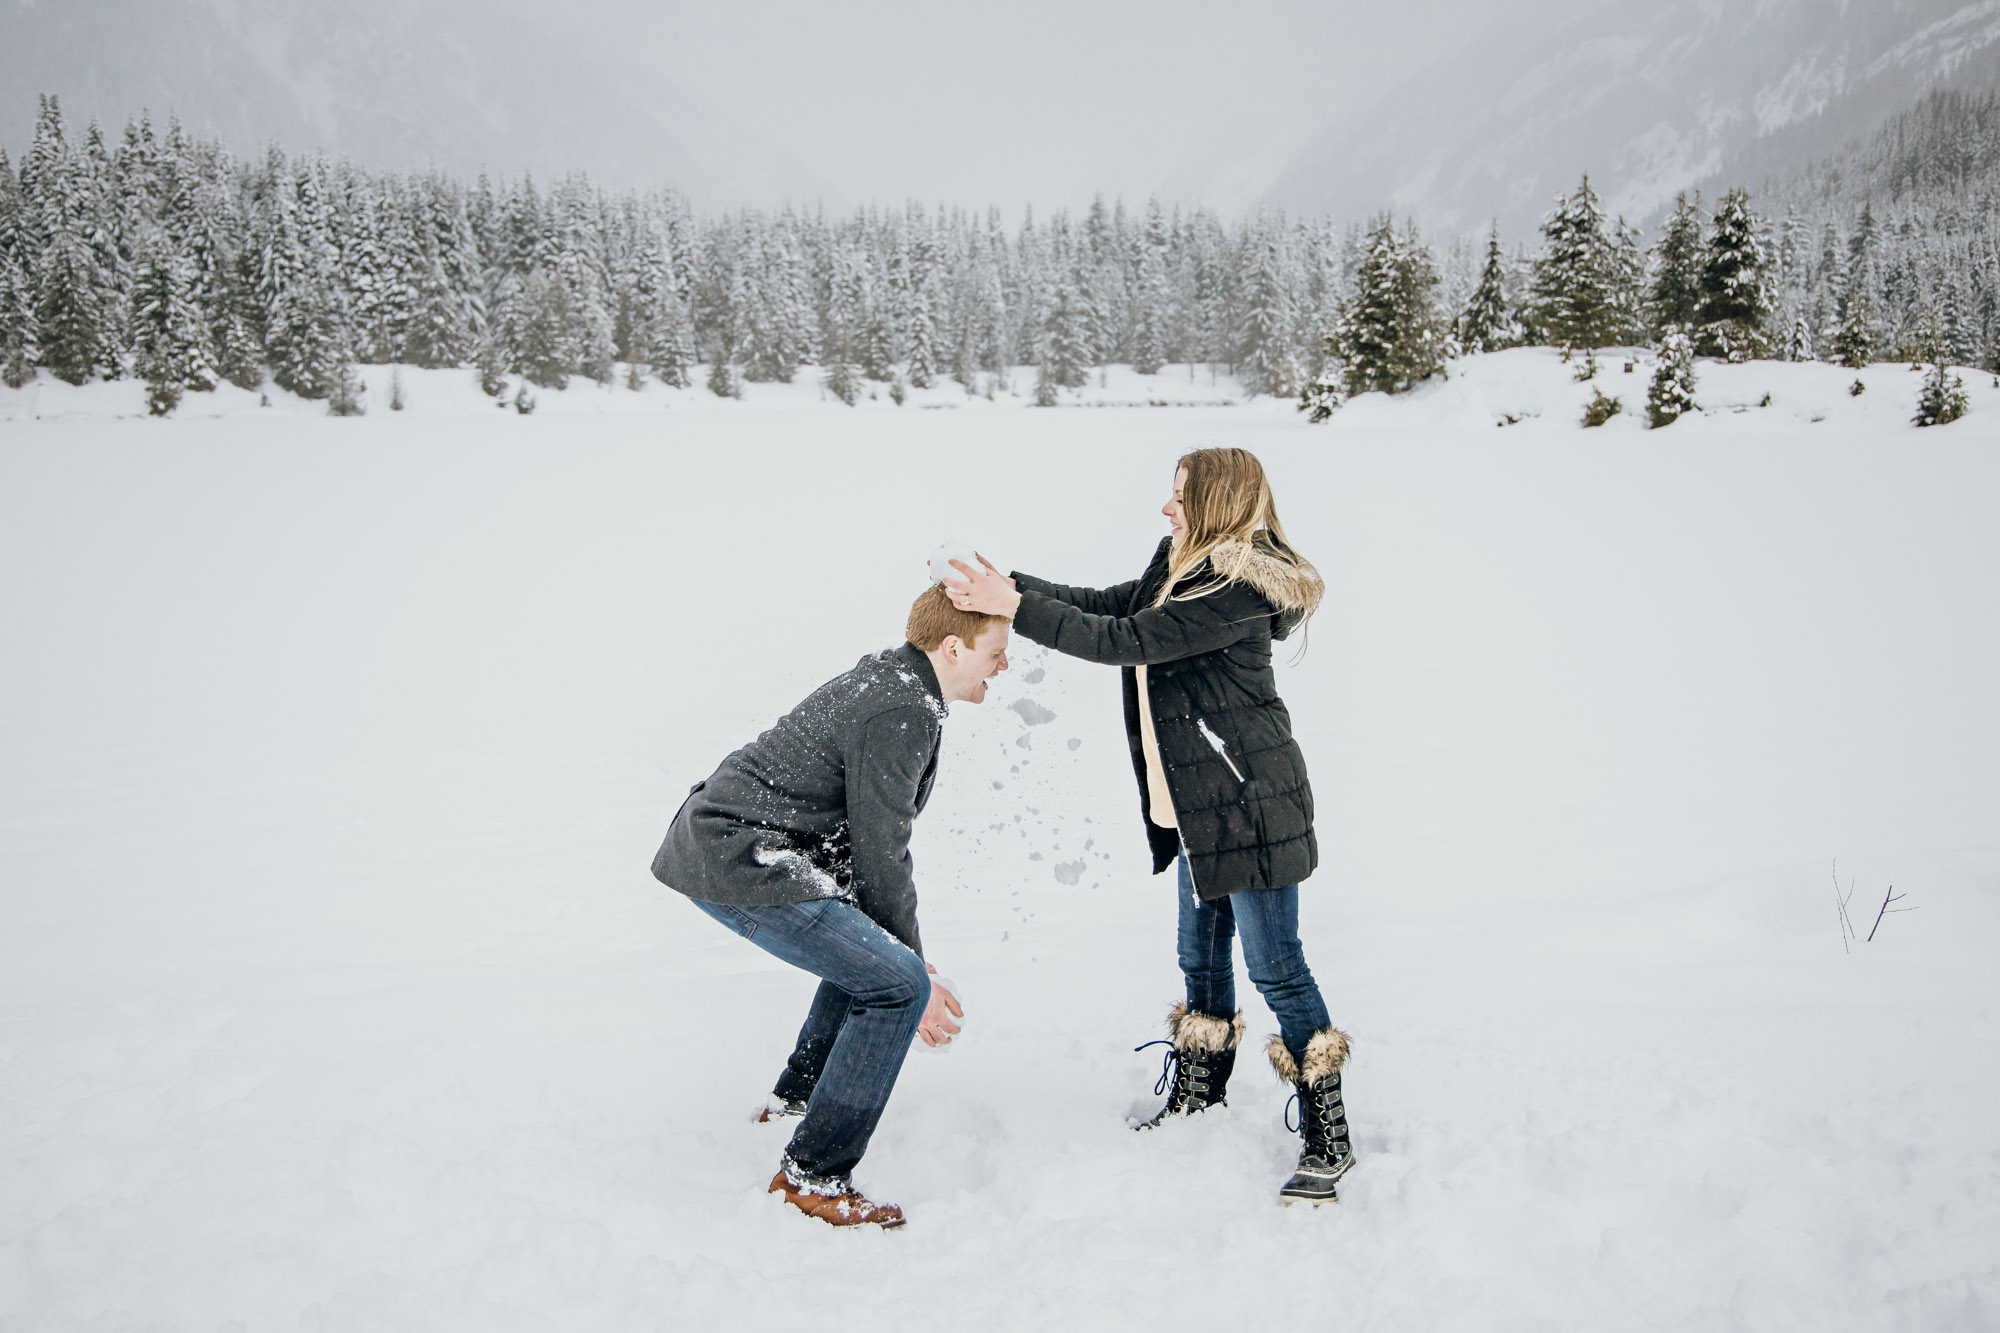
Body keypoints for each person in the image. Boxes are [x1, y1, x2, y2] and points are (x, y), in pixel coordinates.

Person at [943, 446, 1353, 1205]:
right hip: (1198, 804)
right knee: (1198, 957)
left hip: (1252, 804)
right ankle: (1201, 1095)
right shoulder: (1180, 562)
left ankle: (1330, 1135)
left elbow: (1126, 642)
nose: (1167, 508)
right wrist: (1014, 589)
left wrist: (1017, 608)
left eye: (1181, 496)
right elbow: (1113, 606)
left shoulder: (1235, 585)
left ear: (1221, 504)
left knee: (1276, 966)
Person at [651, 583, 1009, 1228]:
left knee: (872, 963)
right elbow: (881, 850)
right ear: (954, 647)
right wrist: (916, 972)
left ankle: (796, 1103)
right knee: (895, 985)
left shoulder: (902, 684)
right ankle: (812, 1175)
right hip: (742, 856)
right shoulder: (901, 708)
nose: (1005, 666)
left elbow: (861, 842)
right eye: (996, 651)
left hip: (734, 846)